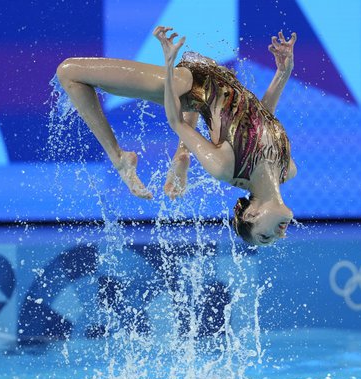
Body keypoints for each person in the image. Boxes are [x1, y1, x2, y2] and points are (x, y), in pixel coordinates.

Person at [56, 26, 298, 246]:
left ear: (251, 214)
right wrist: (283, 73)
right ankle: (182, 154)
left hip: (186, 85)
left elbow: (176, 122)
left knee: (69, 72)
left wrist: (169, 65)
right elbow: (262, 119)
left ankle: (119, 158)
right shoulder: (287, 169)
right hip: (212, 74)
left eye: (265, 236)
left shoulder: (225, 167)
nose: (281, 234)